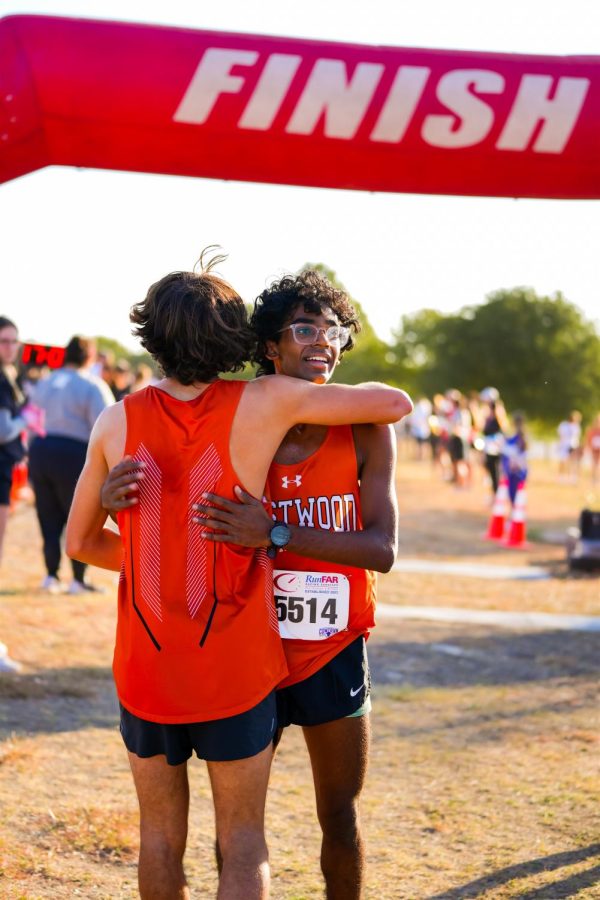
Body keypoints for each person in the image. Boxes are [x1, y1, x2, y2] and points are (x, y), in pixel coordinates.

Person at [65, 260, 412, 900]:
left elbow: (80, 544)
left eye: (332, 330)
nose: (322, 342)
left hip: (222, 655)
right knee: (243, 840)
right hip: (239, 657)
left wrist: (174, 552)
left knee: (176, 834)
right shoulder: (260, 403)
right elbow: (398, 400)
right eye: (304, 329)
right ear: (251, 340)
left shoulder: (117, 421)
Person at [29, 336, 114, 594]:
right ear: (89, 357)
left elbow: (31, 416)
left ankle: (51, 575)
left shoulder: (46, 381)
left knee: (47, 515)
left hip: (40, 449)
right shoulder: (91, 384)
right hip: (73, 451)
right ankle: (78, 579)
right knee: (80, 516)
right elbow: (108, 425)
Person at [585, 413, 600, 485]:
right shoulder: (592, 430)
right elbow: (588, 439)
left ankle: (597, 478)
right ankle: (593, 479)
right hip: (594, 448)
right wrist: (588, 447)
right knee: (594, 463)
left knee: (597, 464)